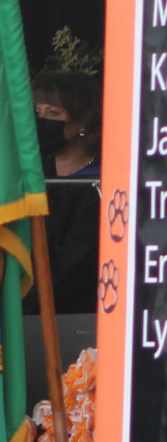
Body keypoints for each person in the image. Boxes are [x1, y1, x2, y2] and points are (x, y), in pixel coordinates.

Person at [24, 70, 102, 314]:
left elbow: (69, 269)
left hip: (70, 320)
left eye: (53, 113)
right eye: (38, 112)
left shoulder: (98, 187)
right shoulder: (31, 180)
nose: (42, 120)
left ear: (83, 122)